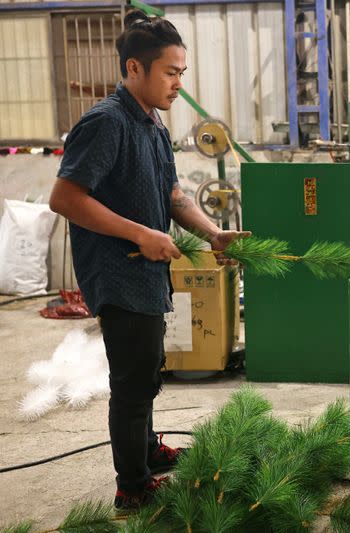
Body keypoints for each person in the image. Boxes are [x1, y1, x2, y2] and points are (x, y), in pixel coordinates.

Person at [49, 9, 249, 509]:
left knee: (147, 369)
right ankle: (132, 487)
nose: (178, 83)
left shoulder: (153, 124)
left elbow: (172, 193)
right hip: (118, 274)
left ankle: (146, 450)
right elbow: (66, 198)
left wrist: (211, 233)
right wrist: (143, 233)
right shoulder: (106, 122)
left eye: (182, 73)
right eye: (170, 72)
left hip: (148, 272)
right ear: (134, 69)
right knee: (133, 383)